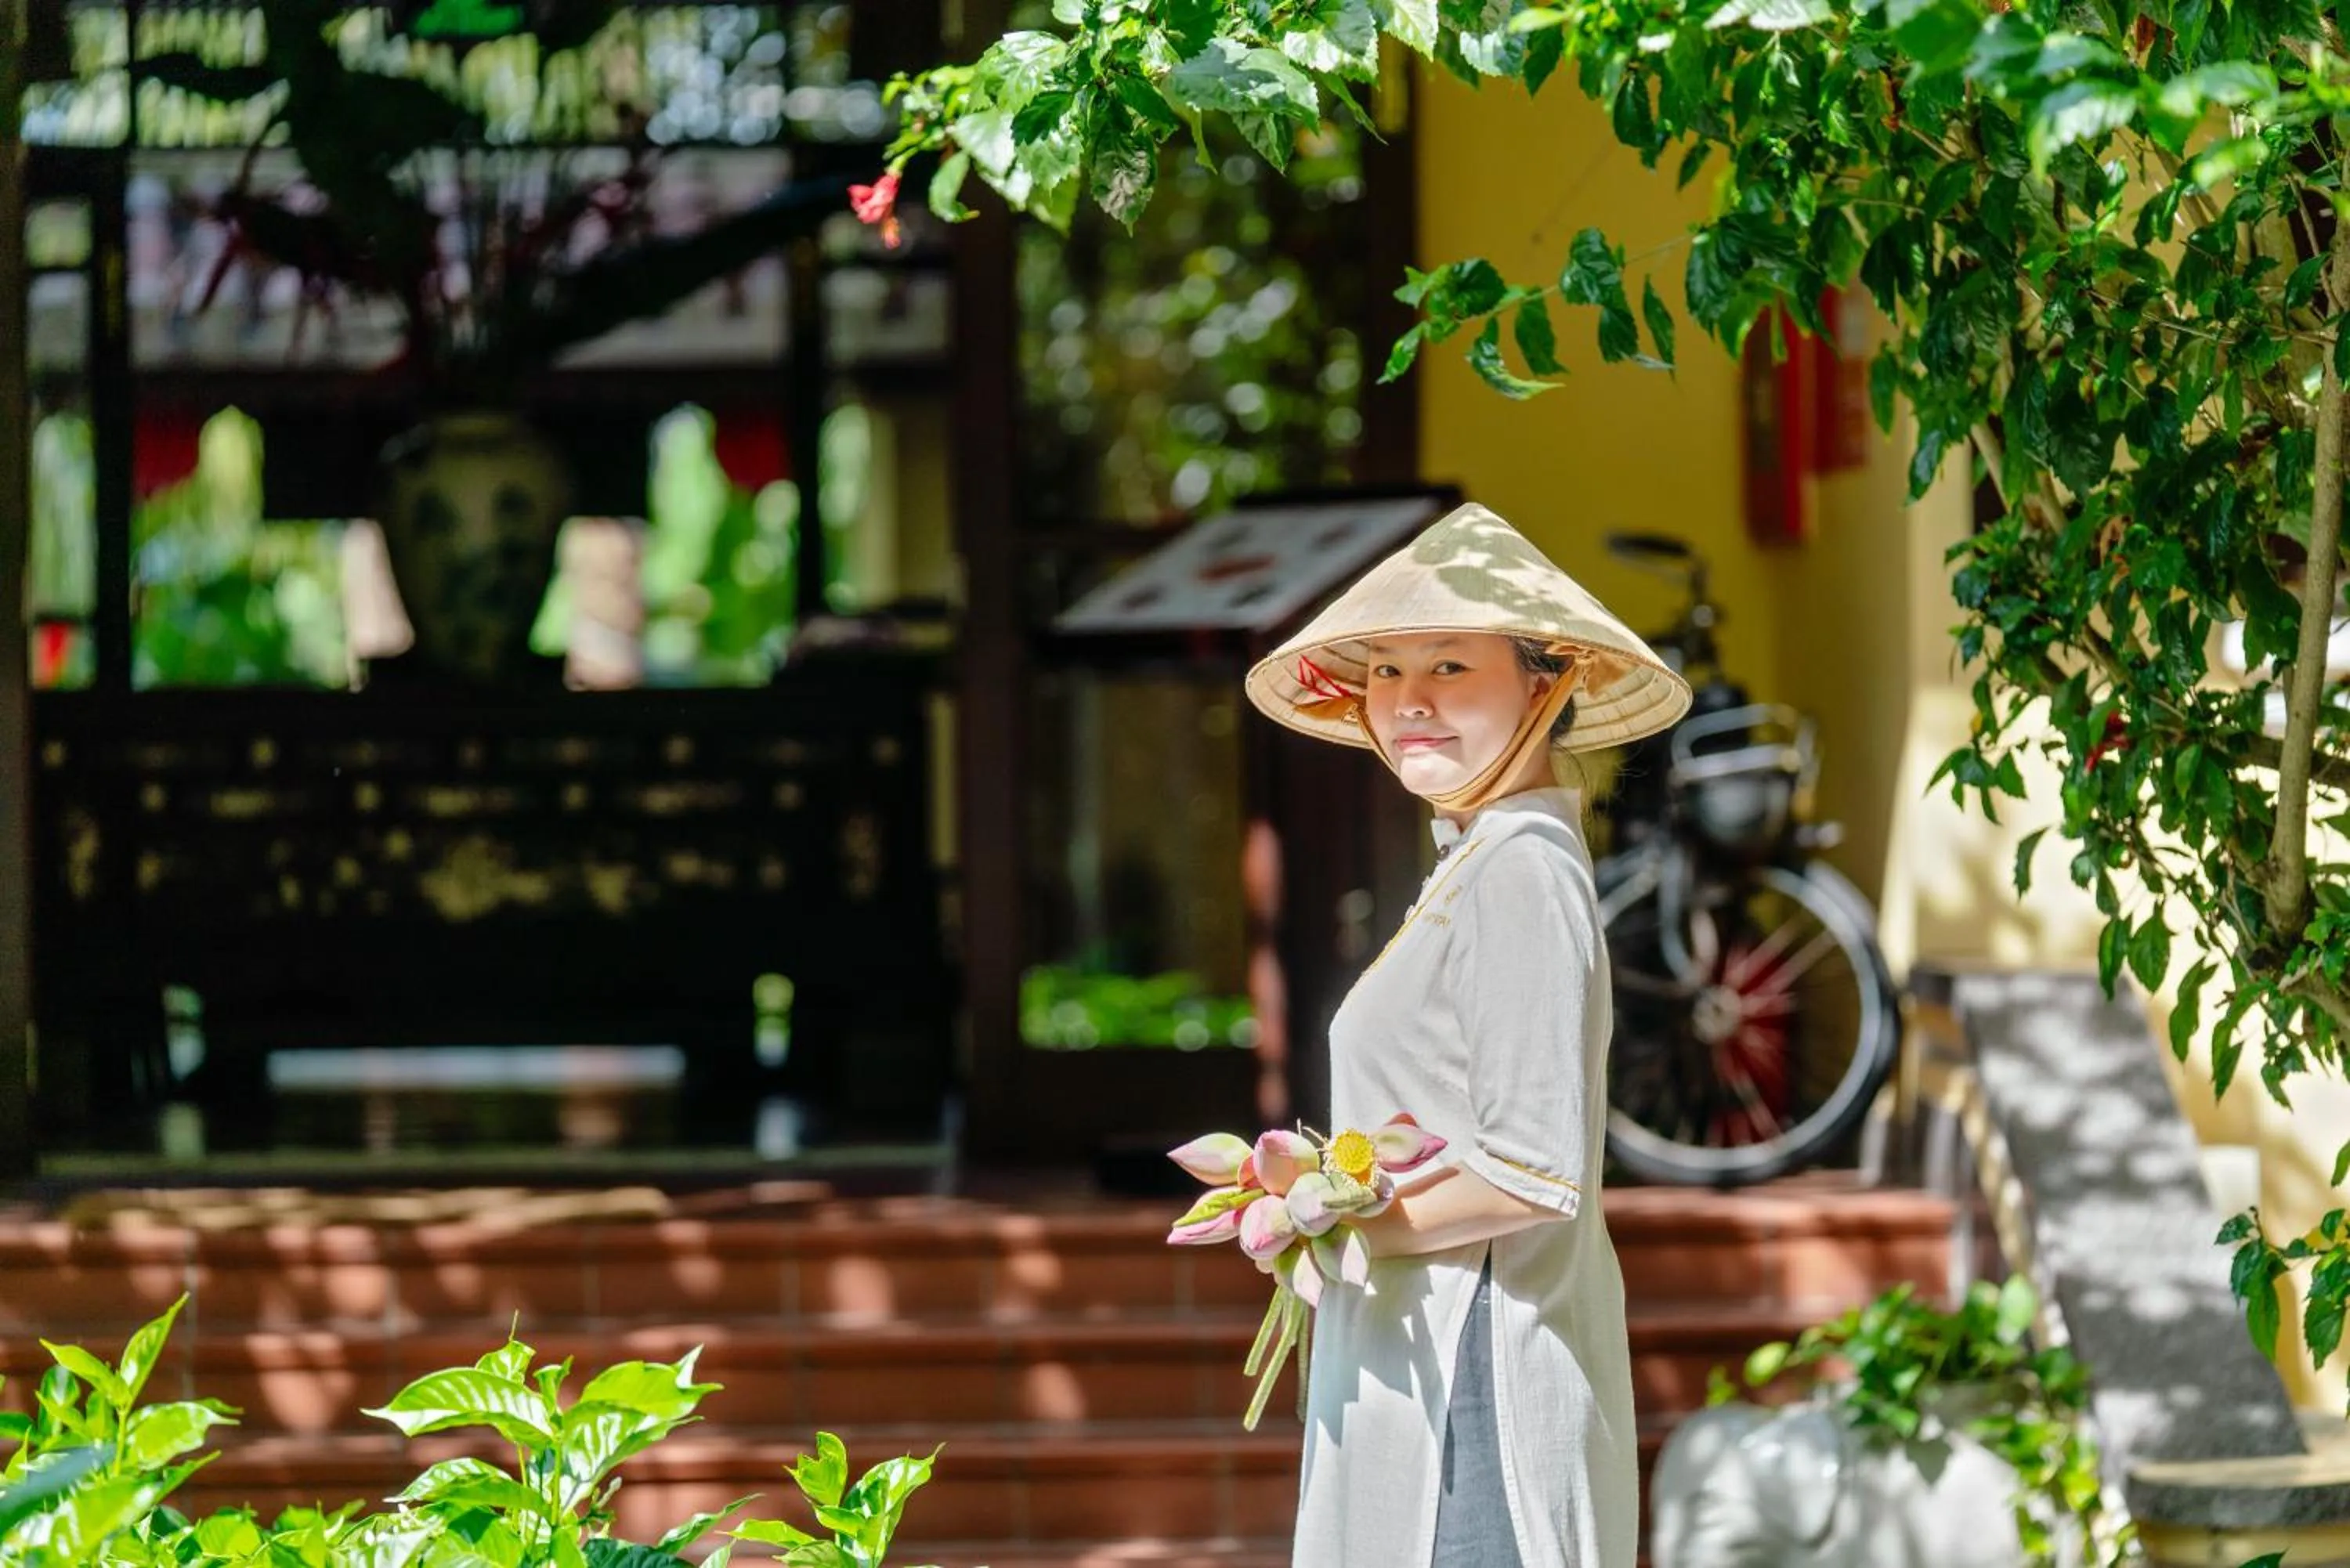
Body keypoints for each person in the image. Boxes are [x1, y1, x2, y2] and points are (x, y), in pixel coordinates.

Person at [1242, 501, 1693, 1568]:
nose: (1410, 704)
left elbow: (1533, 1174)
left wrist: (1323, 1221)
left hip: (1474, 1374)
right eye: (1389, 673)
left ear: (1550, 684)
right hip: (1426, 1357)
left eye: (1450, 666)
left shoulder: (1523, 871)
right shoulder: (1480, 863)